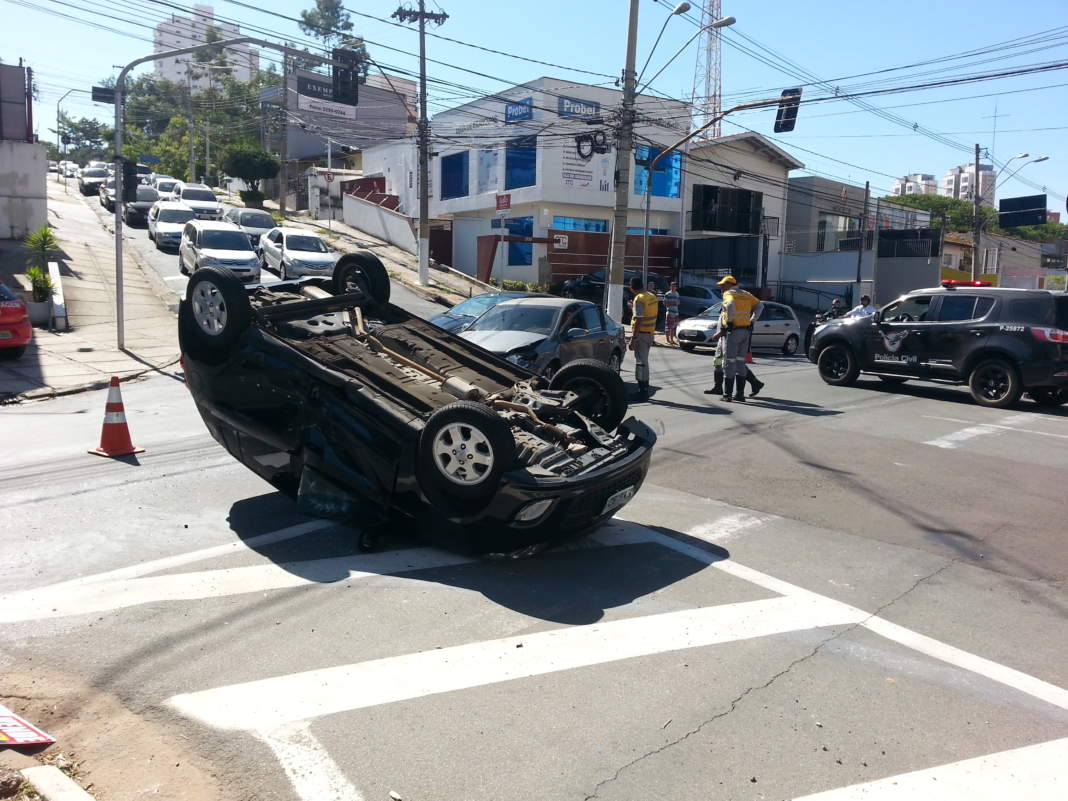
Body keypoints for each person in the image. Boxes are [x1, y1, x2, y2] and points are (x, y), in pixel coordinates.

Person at [715, 275, 762, 402]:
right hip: (745, 331)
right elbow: (760, 306)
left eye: (723, 286)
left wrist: (729, 322)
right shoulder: (746, 294)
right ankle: (740, 395)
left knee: (729, 362)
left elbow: (730, 305)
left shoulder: (729, 294)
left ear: (729, 285)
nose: (721, 288)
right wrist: (753, 320)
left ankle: (727, 395)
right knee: (740, 362)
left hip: (733, 332)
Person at [628, 275, 659, 397]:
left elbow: (639, 320)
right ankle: (644, 387)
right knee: (644, 361)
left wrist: (633, 339)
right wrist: (633, 308)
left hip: (641, 335)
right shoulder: (651, 296)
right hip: (650, 333)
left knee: (640, 362)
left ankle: (642, 390)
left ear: (632, 289)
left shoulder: (639, 299)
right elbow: (646, 314)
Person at [662, 281, 680, 346]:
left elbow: (678, 302)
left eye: (674, 286)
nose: (673, 287)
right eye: (672, 286)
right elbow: (664, 303)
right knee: (668, 327)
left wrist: (676, 303)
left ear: (676, 287)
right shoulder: (667, 294)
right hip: (669, 312)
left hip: (676, 313)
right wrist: (673, 303)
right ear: (670, 286)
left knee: (673, 327)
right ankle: (667, 340)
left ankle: (672, 340)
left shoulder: (677, 294)